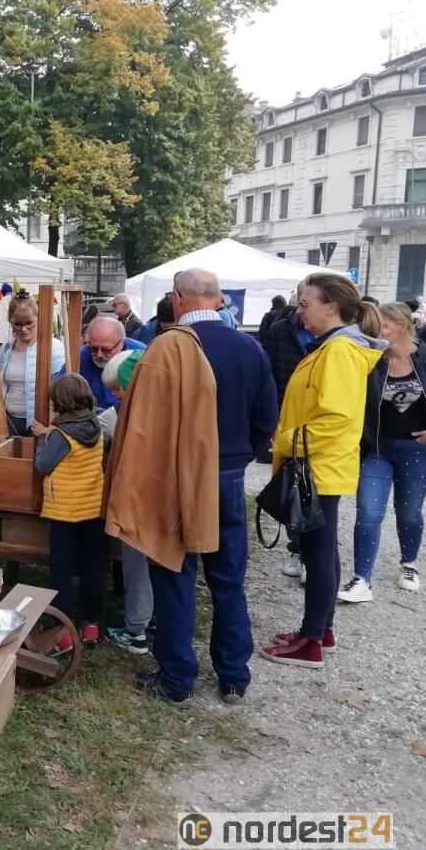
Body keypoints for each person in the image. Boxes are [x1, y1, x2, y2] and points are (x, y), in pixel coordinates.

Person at [136, 269, 278, 706]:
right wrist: (239, 456)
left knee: (175, 574)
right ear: (218, 299)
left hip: (180, 477)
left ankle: (177, 678)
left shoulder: (168, 347)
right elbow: (267, 416)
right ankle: (234, 675)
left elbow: (146, 422)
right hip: (230, 476)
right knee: (229, 580)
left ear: (178, 298)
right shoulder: (249, 347)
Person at [259, 274, 384, 670]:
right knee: (320, 550)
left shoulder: (340, 351)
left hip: (318, 465)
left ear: (330, 307)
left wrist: (285, 441)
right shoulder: (331, 347)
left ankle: (311, 640)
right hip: (318, 463)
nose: (299, 311)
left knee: (318, 551)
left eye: (305, 303)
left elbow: (336, 418)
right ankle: (320, 629)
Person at [104, 300, 221, 703]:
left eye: (119, 390)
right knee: (194, 581)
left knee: (167, 576)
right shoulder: (207, 356)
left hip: (169, 498)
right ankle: (222, 670)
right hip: (203, 486)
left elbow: (143, 449)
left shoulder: (165, 361)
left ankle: (173, 670)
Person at [338, 303, 426, 603]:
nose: (377, 330)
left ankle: (409, 564)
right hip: (377, 448)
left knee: (408, 512)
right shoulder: (371, 360)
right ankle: (361, 579)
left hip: (418, 450)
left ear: (402, 325)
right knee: (368, 512)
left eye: (383, 324)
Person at [32, 374, 106, 648]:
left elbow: (43, 465)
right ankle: (92, 624)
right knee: (91, 567)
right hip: (92, 509)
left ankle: (61, 630)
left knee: (61, 570)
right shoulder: (96, 425)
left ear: (60, 403)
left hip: (64, 512)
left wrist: (43, 438)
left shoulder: (61, 435)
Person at [99, 350, 153, 655]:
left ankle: (136, 631)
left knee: (137, 566)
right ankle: (149, 619)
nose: (114, 394)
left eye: (118, 388)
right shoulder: (160, 412)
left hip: (136, 505)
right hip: (151, 505)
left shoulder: (120, 417)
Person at [261, 281, 314, 583]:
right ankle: (297, 548)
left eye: (308, 303)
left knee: (316, 492)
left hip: (318, 425)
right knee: (291, 485)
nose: (302, 308)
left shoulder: (337, 340)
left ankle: (312, 553)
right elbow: (267, 375)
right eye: (301, 301)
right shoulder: (281, 330)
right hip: (286, 418)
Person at [0, 290, 65, 436]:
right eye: (18, 324)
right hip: (9, 420)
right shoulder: (6, 349)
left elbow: (61, 389)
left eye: (29, 323)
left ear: (38, 319)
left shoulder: (54, 347)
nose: (23, 329)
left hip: (40, 423)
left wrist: (51, 426)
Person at [77, 316, 146, 411]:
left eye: (106, 350)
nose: (99, 355)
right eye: (94, 349)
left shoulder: (144, 357)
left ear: (122, 343)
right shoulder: (80, 357)